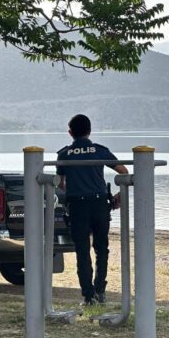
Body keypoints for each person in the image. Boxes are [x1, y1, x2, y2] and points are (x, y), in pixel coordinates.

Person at [57, 114, 127, 306]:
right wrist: (119, 197)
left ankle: (88, 296)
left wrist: (75, 187)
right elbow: (123, 171)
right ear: (90, 131)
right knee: (101, 248)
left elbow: (60, 184)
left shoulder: (64, 154)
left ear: (70, 133)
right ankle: (100, 290)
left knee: (82, 251)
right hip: (99, 205)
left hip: (78, 206)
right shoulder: (99, 151)